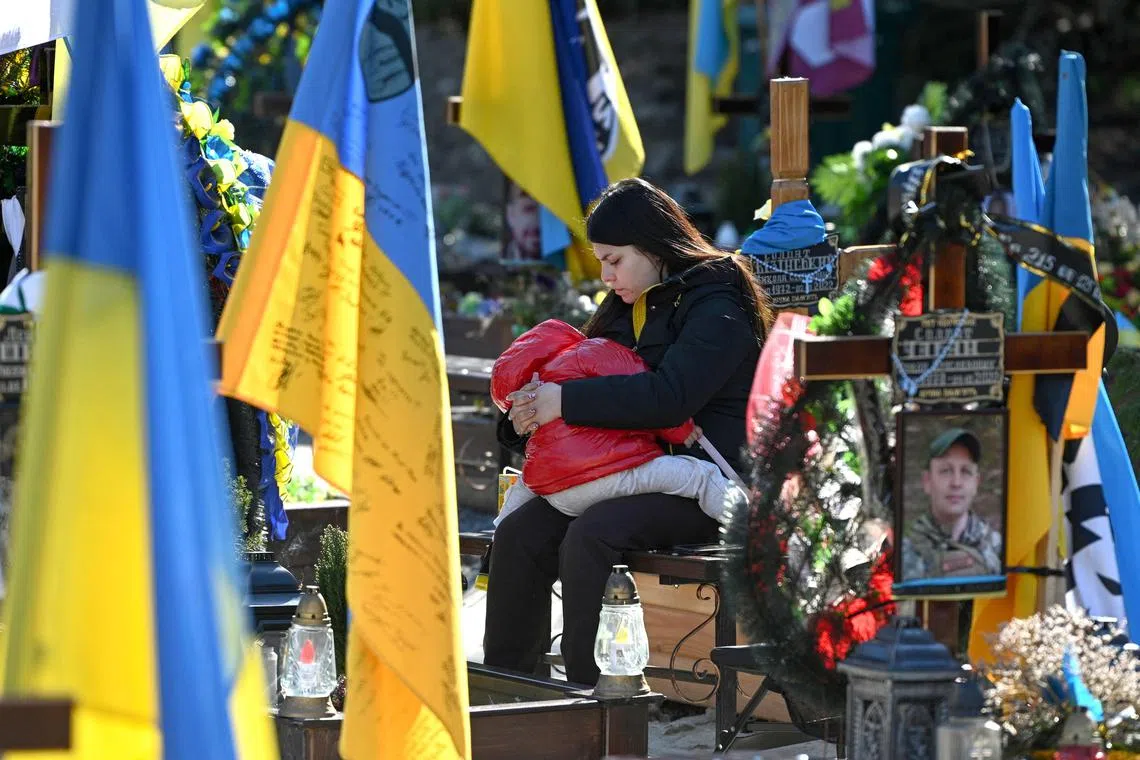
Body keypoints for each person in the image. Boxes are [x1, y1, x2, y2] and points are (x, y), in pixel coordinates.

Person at [483, 177, 773, 686]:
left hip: (707, 486)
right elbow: (570, 378)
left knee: (590, 535)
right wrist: (520, 417)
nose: (604, 274)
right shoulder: (627, 305)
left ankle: (592, 695)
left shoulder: (717, 303)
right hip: (621, 473)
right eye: (600, 260)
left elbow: (669, 398)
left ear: (655, 246)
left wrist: (563, 403)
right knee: (518, 533)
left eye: (614, 259)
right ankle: (508, 688)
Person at [489, 318, 743, 527]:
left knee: (520, 488)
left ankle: (492, 553)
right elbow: (644, 392)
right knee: (700, 475)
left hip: (554, 492)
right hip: (607, 475)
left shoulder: (536, 385)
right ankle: (749, 532)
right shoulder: (590, 351)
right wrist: (680, 428)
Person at [901, 427, 1003, 581]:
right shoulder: (904, 552)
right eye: (946, 471)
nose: (956, 483)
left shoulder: (998, 548)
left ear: (976, 483)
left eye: (966, 471)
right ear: (927, 481)